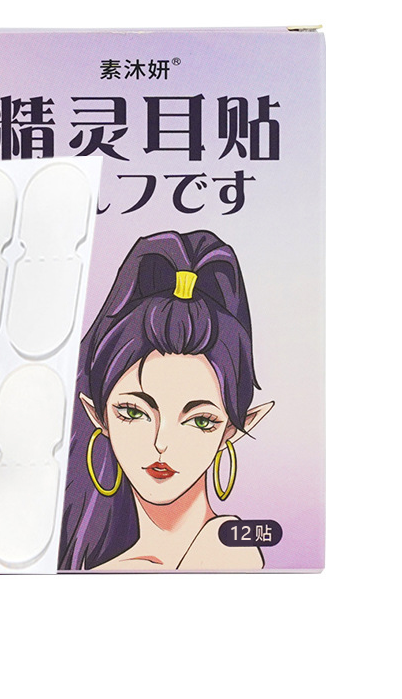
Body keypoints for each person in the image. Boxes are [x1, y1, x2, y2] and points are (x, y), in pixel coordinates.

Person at [58, 230, 273, 571]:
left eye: (200, 421)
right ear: (97, 414)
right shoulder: (106, 563)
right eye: (133, 412)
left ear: (232, 429)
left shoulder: (230, 547)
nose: (162, 443)